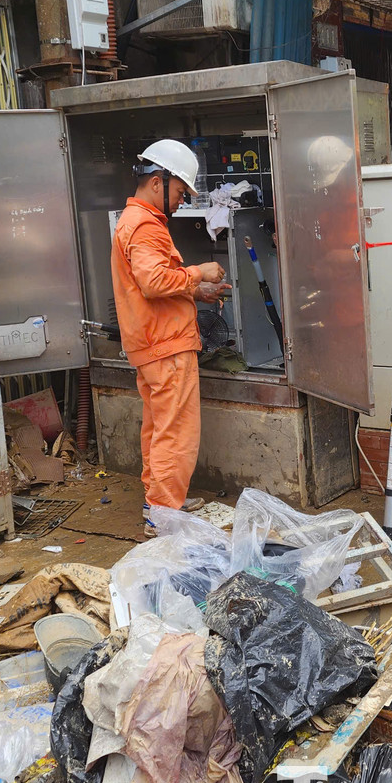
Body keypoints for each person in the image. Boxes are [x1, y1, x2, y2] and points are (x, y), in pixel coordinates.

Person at [111, 139, 230, 529]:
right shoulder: (144, 226)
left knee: (159, 429)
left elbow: (157, 284)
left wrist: (196, 291)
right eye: (180, 191)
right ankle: (163, 514)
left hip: (150, 343)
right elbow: (153, 281)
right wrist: (201, 272)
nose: (182, 201)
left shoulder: (136, 222)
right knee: (176, 433)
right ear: (158, 182)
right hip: (166, 346)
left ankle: (158, 504)